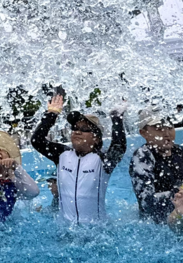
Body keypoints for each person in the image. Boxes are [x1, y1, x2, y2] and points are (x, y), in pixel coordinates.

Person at [31, 91, 126, 223]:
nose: (77, 131)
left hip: (96, 232)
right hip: (65, 231)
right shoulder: (62, 155)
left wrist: (116, 117)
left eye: (84, 129)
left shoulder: (102, 160)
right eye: (75, 128)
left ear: (96, 138)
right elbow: (37, 140)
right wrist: (51, 115)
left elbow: (119, 146)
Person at [129, 112, 183, 221]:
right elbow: (147, 203)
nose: (166, 133)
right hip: (158, 224)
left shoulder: (180, 152)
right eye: (159, 128)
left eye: (169, 127)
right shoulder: (142, 156)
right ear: (143, 133)